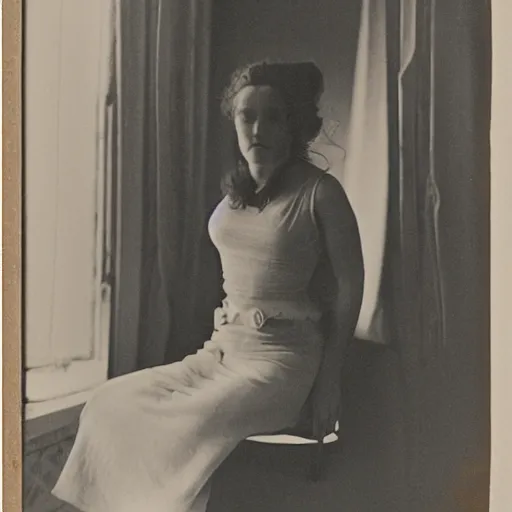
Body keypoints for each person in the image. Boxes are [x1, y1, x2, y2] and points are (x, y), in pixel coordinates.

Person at [52, 60, 365, 512]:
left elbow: (351, 282)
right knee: (107, 404)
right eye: (246, 116)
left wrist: (331, 378)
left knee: (189, 425)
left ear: (293, 122)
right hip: (220, 353)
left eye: (273, 116)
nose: (257, 128)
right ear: (234, 121)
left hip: (281, 365)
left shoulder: (321, 193)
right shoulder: (235, 194)